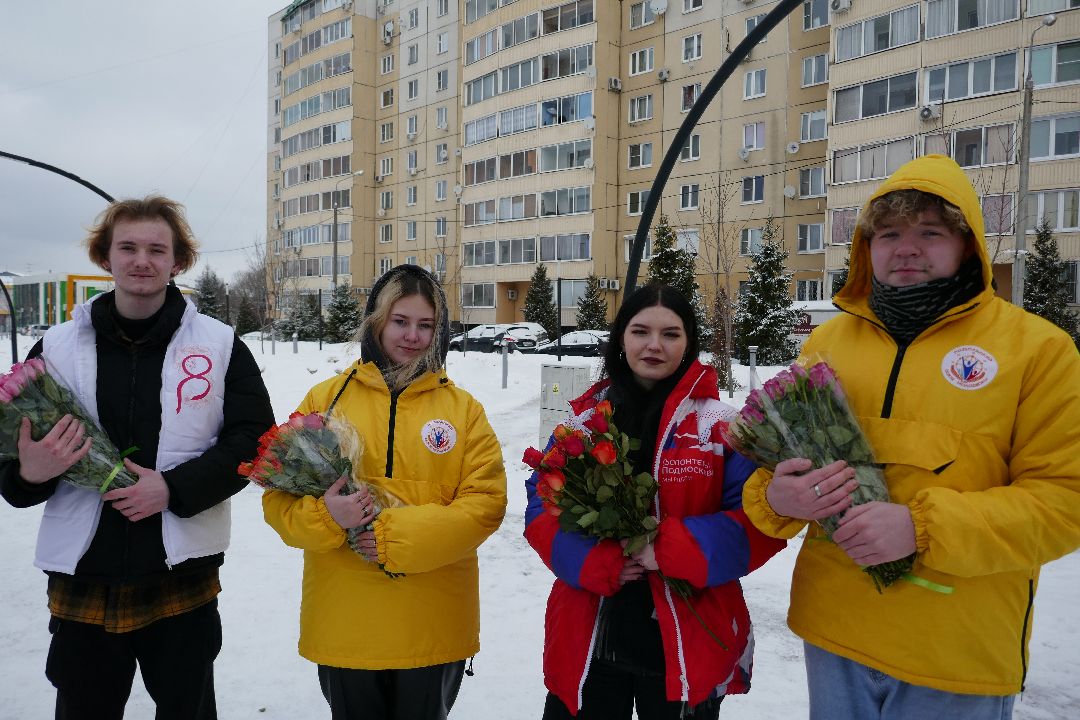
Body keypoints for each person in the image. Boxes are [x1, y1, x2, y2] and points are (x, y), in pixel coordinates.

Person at [742, 155, 1080, 719]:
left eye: (931, 232)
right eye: (890, 233)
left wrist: (921, 527)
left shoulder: (1037, 350)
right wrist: (775, 497)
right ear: (866, 246)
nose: (906, 248)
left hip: (956, 651)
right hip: (835, 633)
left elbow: (1065, 501)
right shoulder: (827, 343)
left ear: (967, 243)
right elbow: (781, 462)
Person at [0, 195, 275, 719]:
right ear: (106, 258)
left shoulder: (219, 345)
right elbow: (12, 459)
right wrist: (29, 473)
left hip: (181, 573)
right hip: (85, 572)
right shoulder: (56, 347)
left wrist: (172, 489)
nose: (141, 260)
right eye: (127, 247)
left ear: (178, 261)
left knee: (186, 709)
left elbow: (253, 439)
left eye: (156, 248)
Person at [525, 283, 786, 719]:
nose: (654, 345)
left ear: (689, 343)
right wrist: (590, 561)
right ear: (621, 338)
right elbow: (541, 506)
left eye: (671, 334)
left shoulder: (721, 427)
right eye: (640, 331)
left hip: (685, 643)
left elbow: (759, 523)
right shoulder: (586, 422)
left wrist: (665, 549)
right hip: (592, 636)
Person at [261, 264, 507, 720]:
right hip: (345, 624)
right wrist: (328, 516)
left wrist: (394, 537)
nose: (412, 336)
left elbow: (485, 506)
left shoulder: (463, 410)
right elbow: (277, 502)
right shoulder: (325, 399)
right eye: (401, 321)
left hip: (433, 624)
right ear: (376, 320)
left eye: (426, 325)